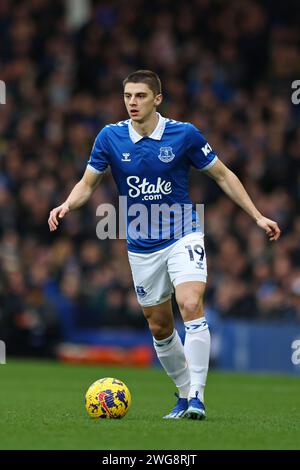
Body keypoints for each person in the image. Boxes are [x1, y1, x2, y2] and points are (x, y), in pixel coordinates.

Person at [48, 70, 281, 420]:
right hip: (141, 243)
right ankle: (184, 394)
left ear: (158, 98)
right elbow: (87, 183)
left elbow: (223, 175)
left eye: (140, 96)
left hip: (183, 232)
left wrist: (257, 215)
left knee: (190, 303)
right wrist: (67, 203)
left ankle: (198, 396)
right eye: (127, 96)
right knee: (159, 326)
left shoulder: (184, 134)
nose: (132, 102)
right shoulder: (109, 137)